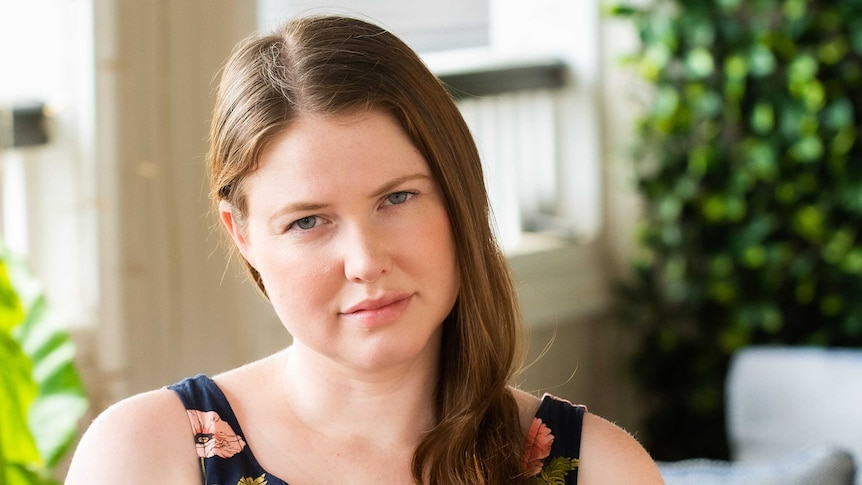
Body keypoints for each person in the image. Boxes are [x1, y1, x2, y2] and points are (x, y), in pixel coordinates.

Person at [65, 15, 664, 485]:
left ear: (459, 195)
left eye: (398, 198)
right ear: (241, 234)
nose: (365, 261)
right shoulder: (146, 456)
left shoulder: (601, 472)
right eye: (307, 222)